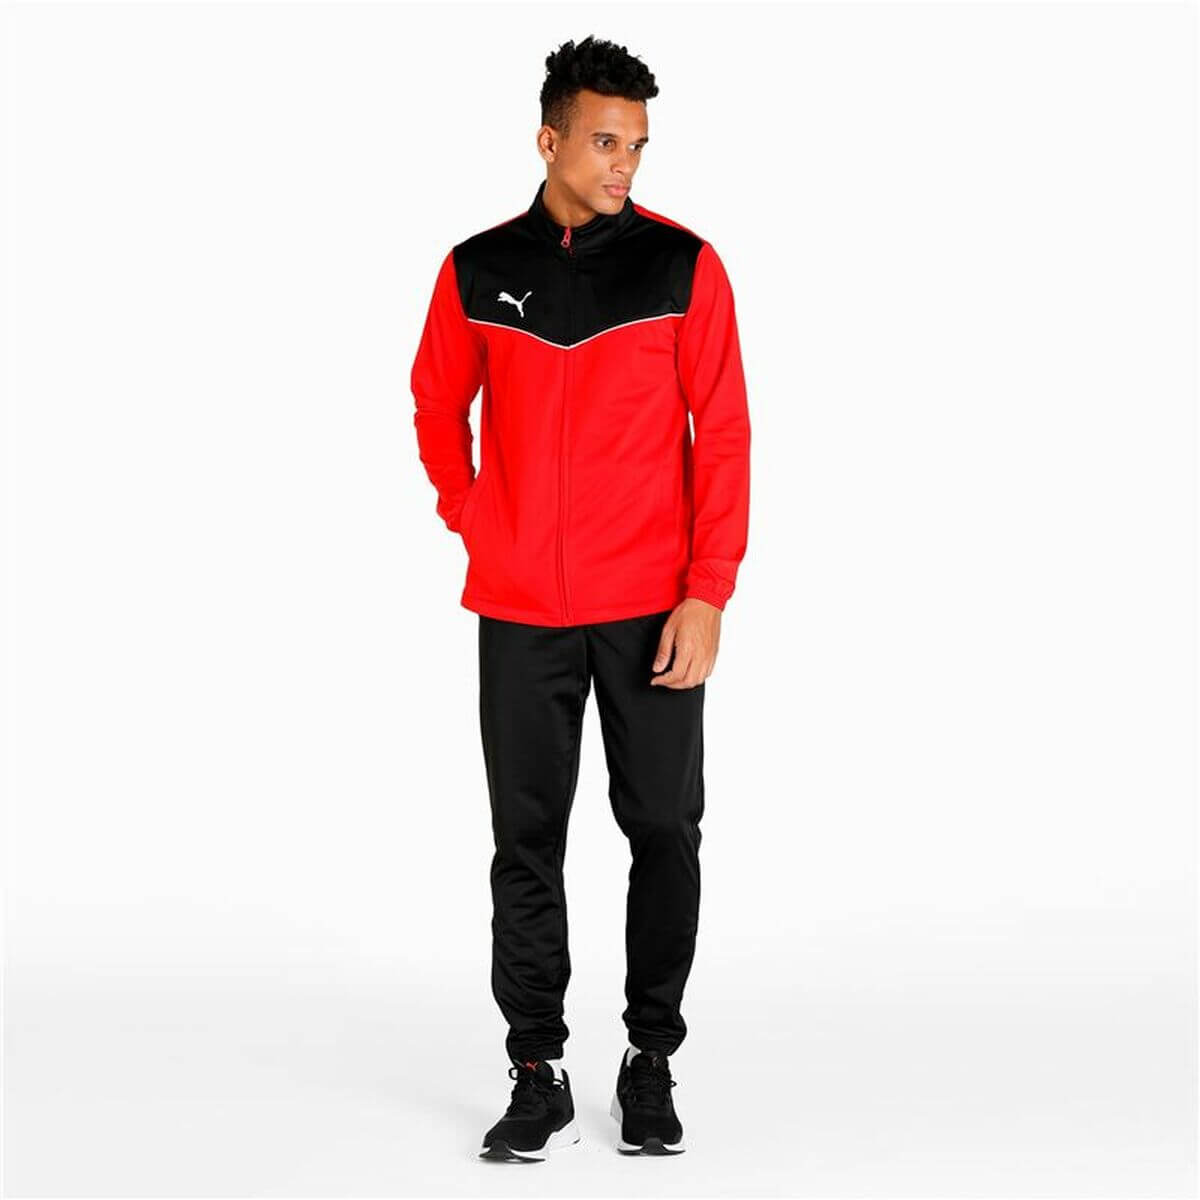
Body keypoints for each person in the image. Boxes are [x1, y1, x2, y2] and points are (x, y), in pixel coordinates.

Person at [411, 34, 751, 1162]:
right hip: (519, 610)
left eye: (638, 146)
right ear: (549, 139)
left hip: (652, 608)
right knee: (526, 842)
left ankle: (650, 1057)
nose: (625, 165)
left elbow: (725, 436)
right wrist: (476, 515)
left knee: (664, 832)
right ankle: (536, 1068)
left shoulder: (683, 267)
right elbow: (435, 404)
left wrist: (707, 593)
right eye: (605, 142)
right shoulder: (477, 269)